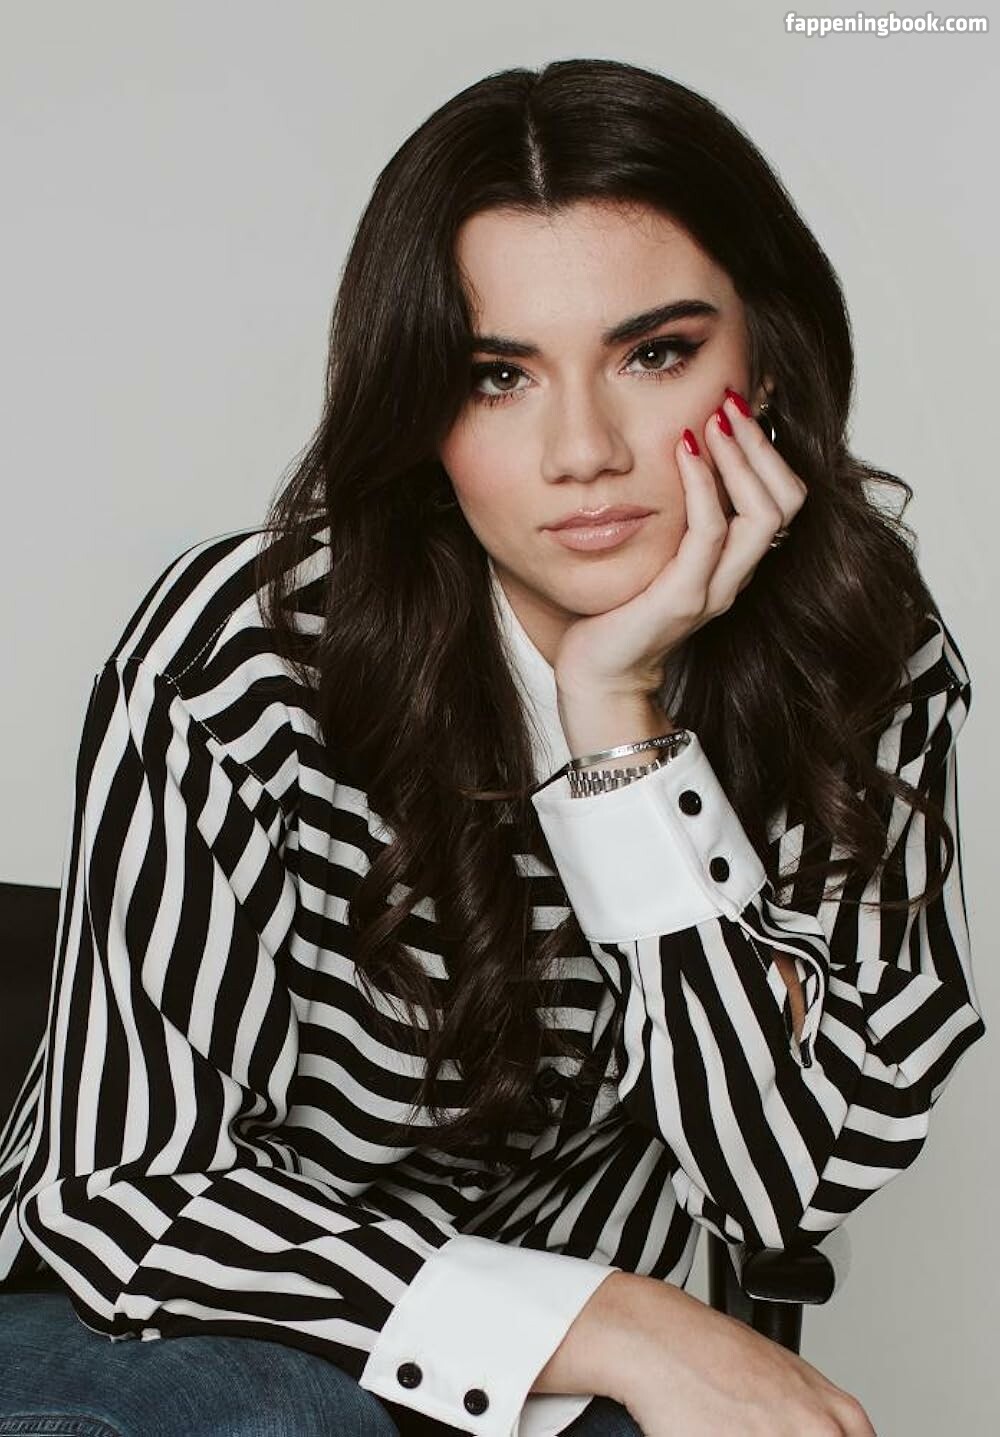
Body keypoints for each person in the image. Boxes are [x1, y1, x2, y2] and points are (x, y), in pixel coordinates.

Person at [0, 56, 985, 1437]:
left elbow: (784, 1186)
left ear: (766, 361)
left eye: (654, 354)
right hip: (191, 1337)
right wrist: (614, 1321)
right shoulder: (247, 652)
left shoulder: (861, 656)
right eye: (498, 376)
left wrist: (622, 734)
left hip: (564, 1394)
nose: (584, 450)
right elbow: (120, 1192)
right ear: (424, 411)